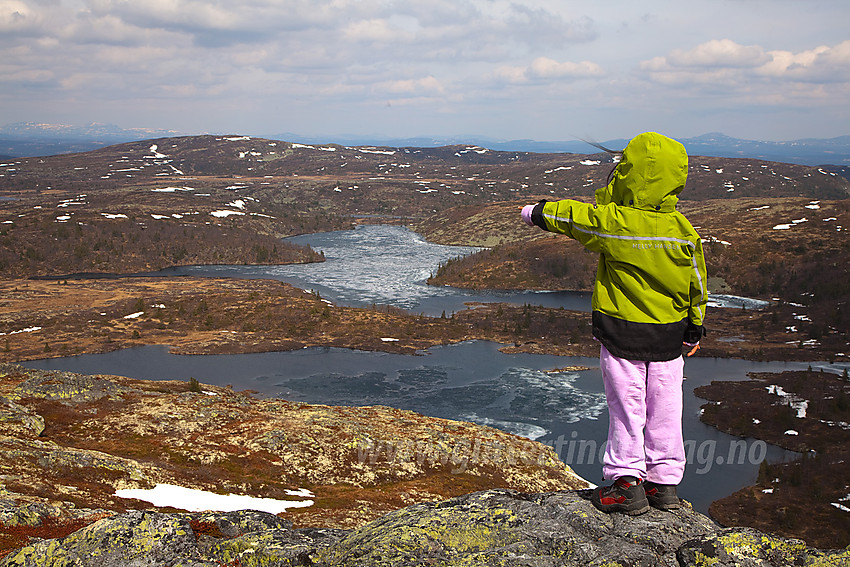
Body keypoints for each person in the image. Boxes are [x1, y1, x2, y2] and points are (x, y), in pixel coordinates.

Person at [521, 132, 707, 515]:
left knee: (627, 407)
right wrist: (695, 325)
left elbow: (574, 217)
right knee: (666, 406)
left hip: (622, 334)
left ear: (629, 174)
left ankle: (626, 483)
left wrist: (536, 212)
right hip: (670, 337)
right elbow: (696, 281)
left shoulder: (616, 222)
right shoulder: (683, 230)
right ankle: (664, 484)